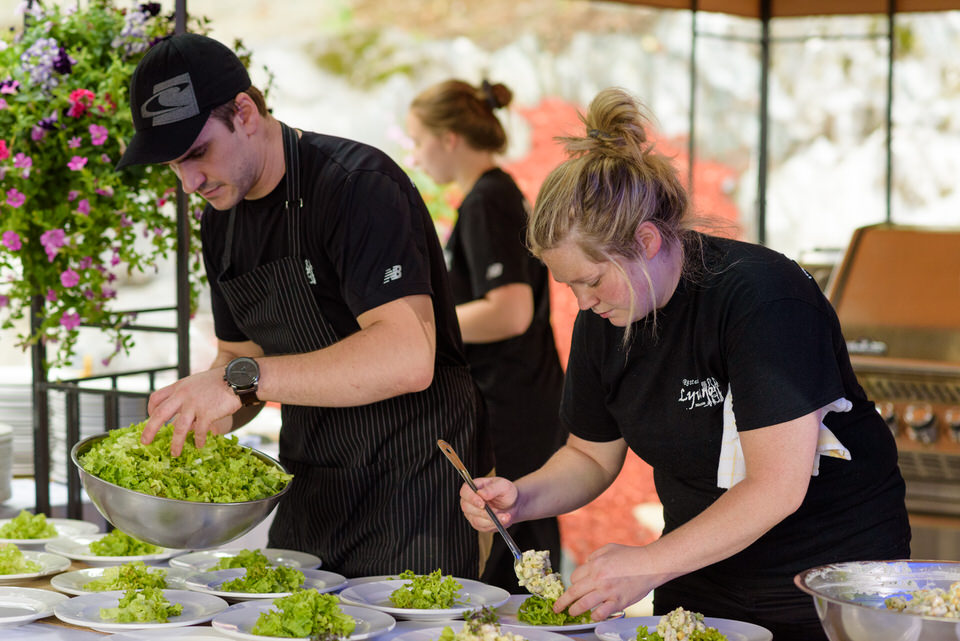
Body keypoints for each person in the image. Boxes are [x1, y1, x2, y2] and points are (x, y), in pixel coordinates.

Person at [456, 87, 910, 641]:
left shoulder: (762, 298)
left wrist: (646, 564)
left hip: (822, 582)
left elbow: (776, 486)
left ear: (646, 240)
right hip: (698, 574)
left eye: (591, 280)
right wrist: (524, 497)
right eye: (569, 285)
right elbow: (590, 456)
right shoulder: (606, 318)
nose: (582, 302)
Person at [116, 33, 487, 578]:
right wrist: (193, 416)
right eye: (173, 166)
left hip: (417, 491)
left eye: (197, 153)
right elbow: (236, 362)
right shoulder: (220, 223)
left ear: (244, 112)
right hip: (313, 487)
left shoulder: (357, 186)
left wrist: (236, 379)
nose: (190, 182)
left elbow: (408, 357)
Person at [406, 79, 567, 591]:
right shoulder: (492, 194)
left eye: (418, 141)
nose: (415, 155)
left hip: (513, 407)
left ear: (449, 138)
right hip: (521, 401)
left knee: (515, 559)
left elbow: (510, 312)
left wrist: (425, 332)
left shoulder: (487, 199)